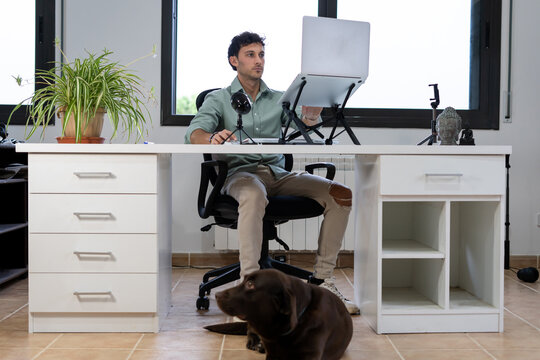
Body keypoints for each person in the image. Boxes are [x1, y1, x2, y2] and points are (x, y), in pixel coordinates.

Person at [185, 31, 359, 314]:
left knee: (341, 194)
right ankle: (252, 288)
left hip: (278, 174)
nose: (258, 61)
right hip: (240, 175)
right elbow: (194, 134)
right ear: (234, 61)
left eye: (261, 54)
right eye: (250, 55)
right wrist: (213, 137)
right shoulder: (218, 99)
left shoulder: (280, 99)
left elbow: (304, 125)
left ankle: (323, 281)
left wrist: (312, 113)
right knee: (253, 194)